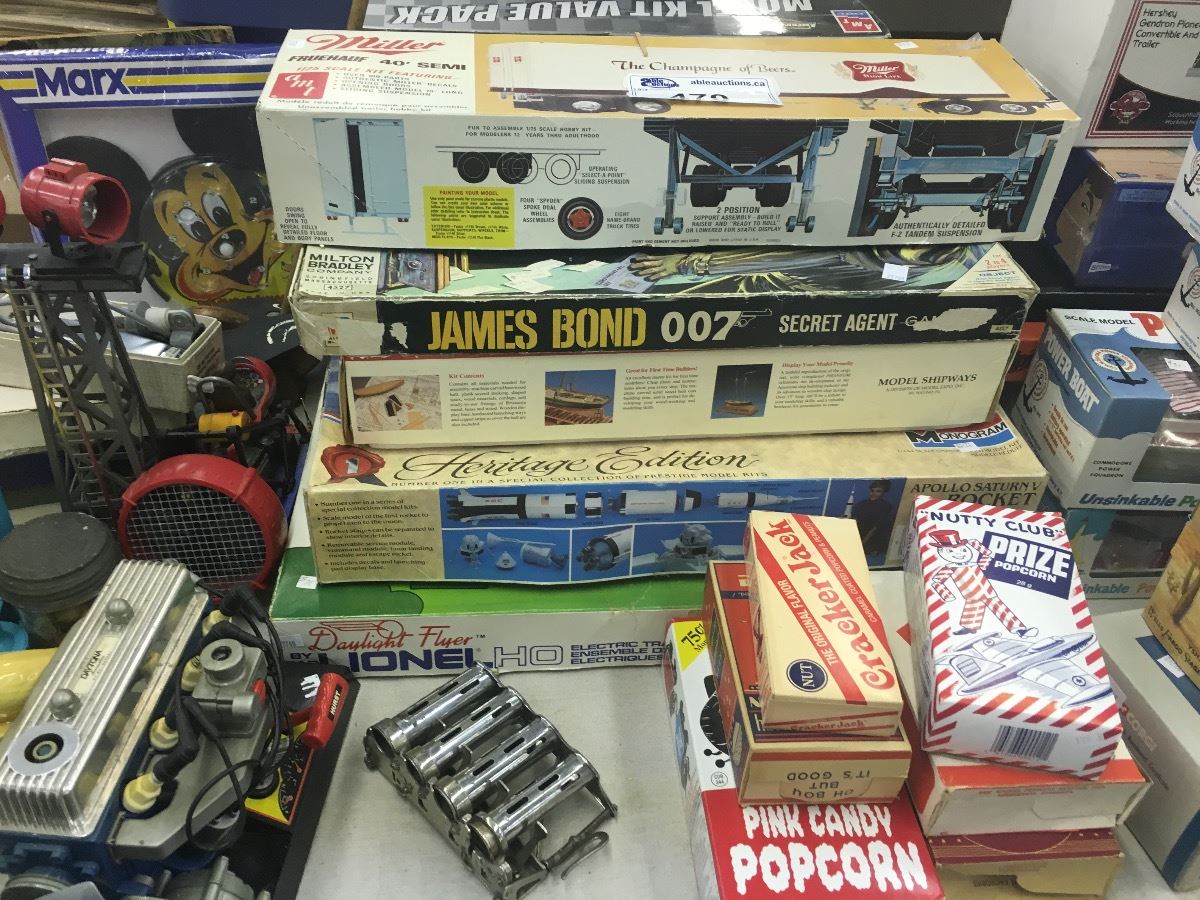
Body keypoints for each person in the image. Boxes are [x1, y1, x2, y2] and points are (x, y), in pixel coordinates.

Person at [851, 479, 894, 558]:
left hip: (873, 539)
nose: (874, 494)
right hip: (858, 535)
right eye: (872, 491)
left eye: (878, 491)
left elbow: (876, 528)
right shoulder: (861, 504)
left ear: (884, 492)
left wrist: (861, 543)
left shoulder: (885, 507)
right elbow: (854, 521)